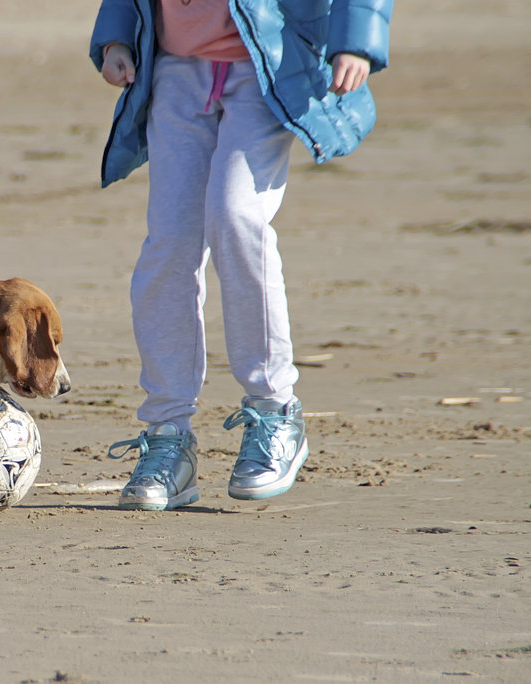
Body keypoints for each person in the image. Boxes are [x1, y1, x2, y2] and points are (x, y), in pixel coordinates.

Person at [90, 0, 392, 510]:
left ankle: (275, 410)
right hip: (175, 69)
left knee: (238, 217)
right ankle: (168, 437)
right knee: (169, 242)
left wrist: (355, 40)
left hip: (267, 65)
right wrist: (117, 36)